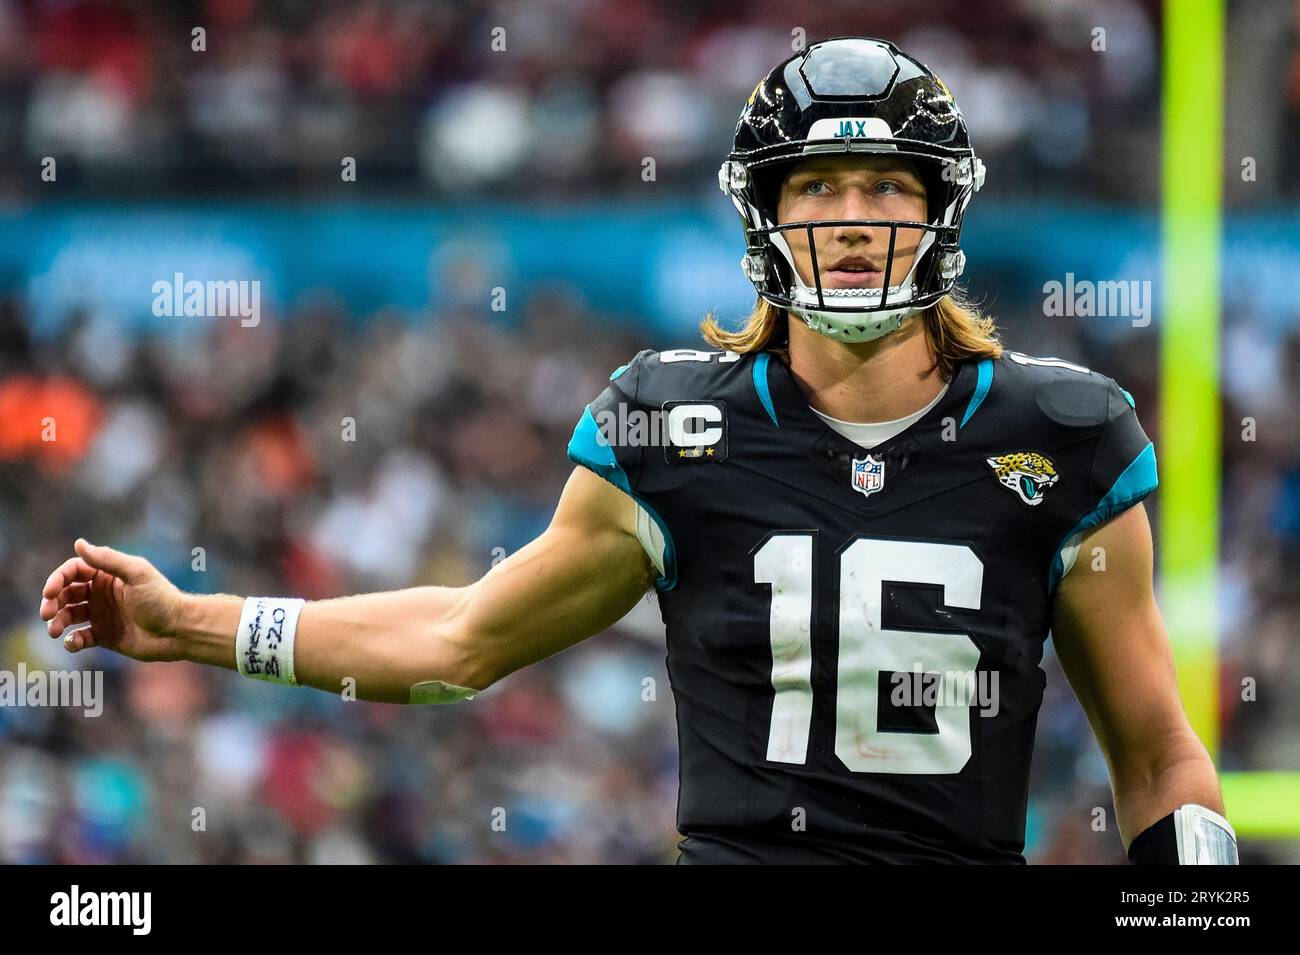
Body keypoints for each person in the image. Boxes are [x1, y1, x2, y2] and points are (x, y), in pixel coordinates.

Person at [38, 37, 1235, 865]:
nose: (855, 219)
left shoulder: (1058, 435)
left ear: (940, 210)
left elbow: (1154, 751)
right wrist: (188, 622)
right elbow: (456, 643)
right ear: (766, 213)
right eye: (818, 188)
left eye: (887, 184)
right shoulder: (670, 426)